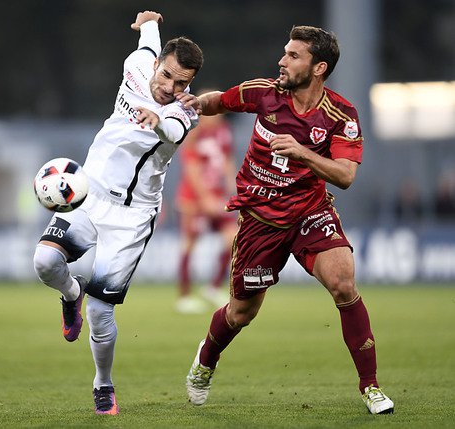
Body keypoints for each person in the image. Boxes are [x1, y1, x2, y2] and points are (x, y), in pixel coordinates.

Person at [183, 25, 395, 415]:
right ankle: (206, 360)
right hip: (260, 218)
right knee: (240, 313)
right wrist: (193, 104)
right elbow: (219, 102)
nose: (282, 60)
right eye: (285, 52)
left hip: (310, 211)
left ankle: (371, 386)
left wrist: (303, 154)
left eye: (293, 56)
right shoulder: (263, 92)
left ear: (319, 68)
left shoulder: (340, 114)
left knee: (344, 283)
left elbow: (346, 176)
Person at [32, 11, 203, 415]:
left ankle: (103, 384)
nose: (171, 87)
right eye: (167, 76)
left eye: (182, 82)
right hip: (89, 194)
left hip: (132, 216)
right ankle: (69, 294)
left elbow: (176, 131)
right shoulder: (138, 63)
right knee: (43, 262)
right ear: (158, 63)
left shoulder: (184, 111)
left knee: (100, 310)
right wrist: (148, 19)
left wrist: (159, 119)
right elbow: (147, 36)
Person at [175, 97, 237, 313]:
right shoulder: (193, 133)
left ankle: (213, 287)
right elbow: (191, 168)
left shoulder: (224, 130)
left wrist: (232, 185)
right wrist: (204, 199)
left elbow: (227, 159)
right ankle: (184, 296)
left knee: (232, 237)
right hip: (194, 198)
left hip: (217, 195)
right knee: (190, 242)